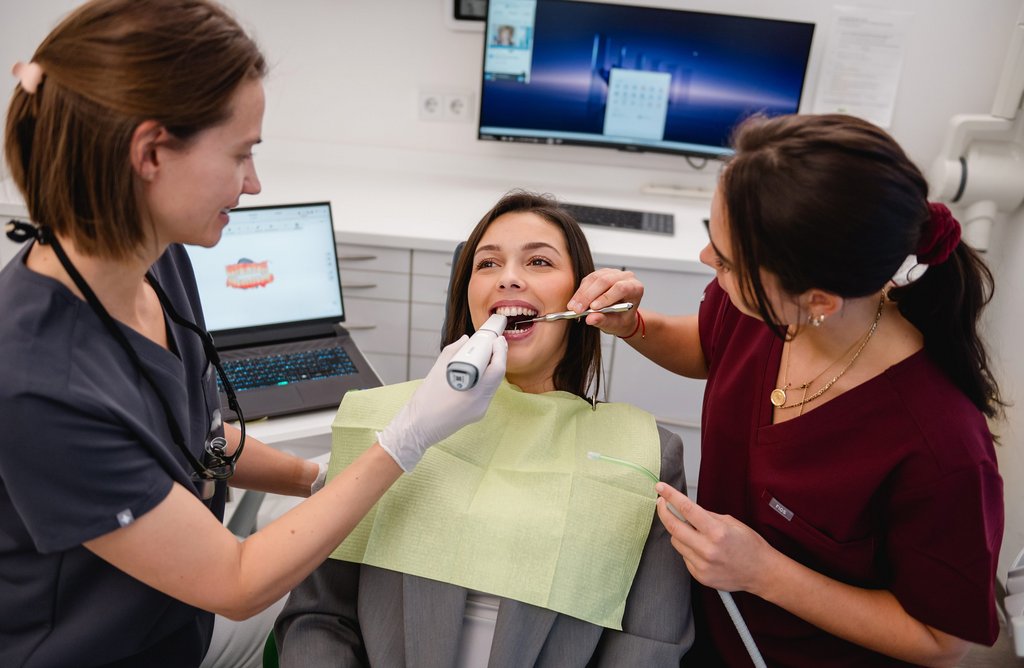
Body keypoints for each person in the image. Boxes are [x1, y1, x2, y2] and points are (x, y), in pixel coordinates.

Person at [0, 1, 506, 666]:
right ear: (150, 152)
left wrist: (314, 478)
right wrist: (405, 437)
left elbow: (193, 434)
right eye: (241, 154)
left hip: (178, 620)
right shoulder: (37, 380)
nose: (255, 182)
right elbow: (235, 582)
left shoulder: (158, 255)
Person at [568, 113, 1005, 666]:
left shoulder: (942, 449)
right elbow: (709, 347)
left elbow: (941, 641)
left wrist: (764, 572)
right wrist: (632, 324)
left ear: (818, 300)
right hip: (706, 625)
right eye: (712, 238)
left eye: (724, 261)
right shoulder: (766, 305)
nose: (708, 261)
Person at [274, 191, 694, 666]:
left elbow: (649, 645)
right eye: (487, 264)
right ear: (466, 294)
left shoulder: (645, 456)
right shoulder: (382, 425)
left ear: (582, 299)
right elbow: (317, 617)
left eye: (538, 261)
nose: (509, 277)